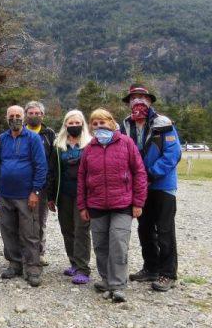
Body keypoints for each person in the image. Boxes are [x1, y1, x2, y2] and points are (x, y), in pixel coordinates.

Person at [78, 108, 147, 303]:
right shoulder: (89, 148)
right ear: (91, 127)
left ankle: (117, 285)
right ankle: (106, 280)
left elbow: (139, 173)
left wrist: (138, 202)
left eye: (103, 122)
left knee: (118, 243)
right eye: (95, 123)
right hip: (97, 205)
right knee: (101, 245)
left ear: (111, 122)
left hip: (122, 204)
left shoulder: (126, 143)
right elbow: (82, 178)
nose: (99, 126)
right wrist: (82, 206)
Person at [120, 85, 182, 292]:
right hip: (139, 188)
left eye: (142, 97)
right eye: (134, 98)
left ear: (150, 100)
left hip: (162, 186)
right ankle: (151, 267)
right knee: (144, 229)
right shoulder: (125, 126)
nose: (138, 101)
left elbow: (173, 154)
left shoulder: (163, 124)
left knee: (164, 230)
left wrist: (150, 173)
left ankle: (168, 273)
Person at [0, 105, 47, 287]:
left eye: (18, 115)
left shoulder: (33, 138)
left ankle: (32, 267)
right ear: (6, 118)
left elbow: (41, 166)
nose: (15, 118)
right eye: (11, 116)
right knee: (8, 230)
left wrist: (36, 191)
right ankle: (14, 263)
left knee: (30, 232)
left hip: (26, 195)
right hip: (6, 194)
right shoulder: (2, 139)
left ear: (23, 117)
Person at [47, 109, 93, 284]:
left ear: (83, 124)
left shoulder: (90, 144)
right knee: (67, 229)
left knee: (81, 230)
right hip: (64, 193)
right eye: (70, 123)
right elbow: (52, 172)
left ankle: (83, 268)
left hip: (84, 194)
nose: (74, 126)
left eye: (77, 123)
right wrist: (51, 197)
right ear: (65, 124)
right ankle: (73, 262)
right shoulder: (58, 146)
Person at [24, 101, 56, 266]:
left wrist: (51, 187)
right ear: (26, 115)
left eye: (37, 113)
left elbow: (53, 160)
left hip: (42, 184)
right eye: (31, 113)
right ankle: (25, 252)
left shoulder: (49, 134)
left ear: (43, 116)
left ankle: (40, 252)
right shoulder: (20, 132)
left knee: (40, 220)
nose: (34, 116)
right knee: (24, 219)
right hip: (22, 184)